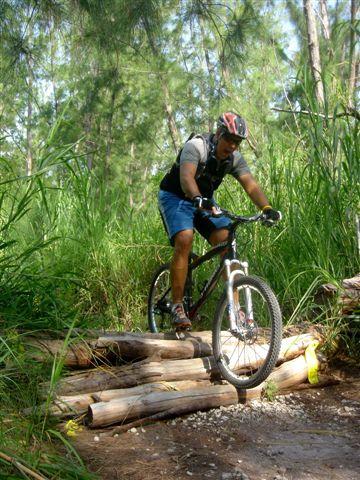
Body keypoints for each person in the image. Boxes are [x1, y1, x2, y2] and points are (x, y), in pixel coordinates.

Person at [158, 111, 281, 330]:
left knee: (226, 241)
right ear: (219, 133)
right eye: (230, 139)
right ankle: (177, 306)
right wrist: (198, 199)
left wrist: (267, 208)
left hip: (204, 201)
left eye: (238, 142)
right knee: (185, 238)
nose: (233, 146)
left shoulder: (234, 159)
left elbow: (251, 185)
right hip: (175, 196)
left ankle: (235, 309)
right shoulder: (196, 147)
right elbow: (186, 179)